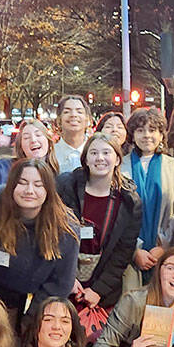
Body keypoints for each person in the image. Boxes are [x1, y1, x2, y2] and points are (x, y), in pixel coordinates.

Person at [0, 159, 80, 328]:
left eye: (38, 185)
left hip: (40, 300)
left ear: (49, 190)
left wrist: (29, 321)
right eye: (22, 183)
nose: (29, 191)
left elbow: (60, 284)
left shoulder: (66, 228)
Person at [57, 133, 141, 316]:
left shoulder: (129, 201)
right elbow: (52, 237)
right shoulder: (66, 187)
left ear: (118, 159)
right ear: (85, 159)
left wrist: (98, 290)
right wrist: (66, 278)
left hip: (102, 287)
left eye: (106, 152)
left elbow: (123, 253)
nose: (100, 158)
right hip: (62, 281)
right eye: (93, 153)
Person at [122, 107, 174, 287]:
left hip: (165, 251)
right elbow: (116, 216)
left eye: (152, 130)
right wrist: (135, 251)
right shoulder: (120, 166)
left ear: (161, 135)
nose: (146, 135)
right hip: (128, 255)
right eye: (140, 130)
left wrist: (164, 247)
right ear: (132, 135)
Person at [0, 118, 52, 187]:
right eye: (26, 137)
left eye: (38, 135)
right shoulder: (7, 168)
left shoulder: (59, 169)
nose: (33, 140)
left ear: (49, 142)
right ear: (21, 146)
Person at [52, 95, 92, 176]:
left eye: (79, 112)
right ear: (59, 120)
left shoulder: (96, 152)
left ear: (87, 119)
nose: (73, 115)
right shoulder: (51, 154)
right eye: (67, 111)